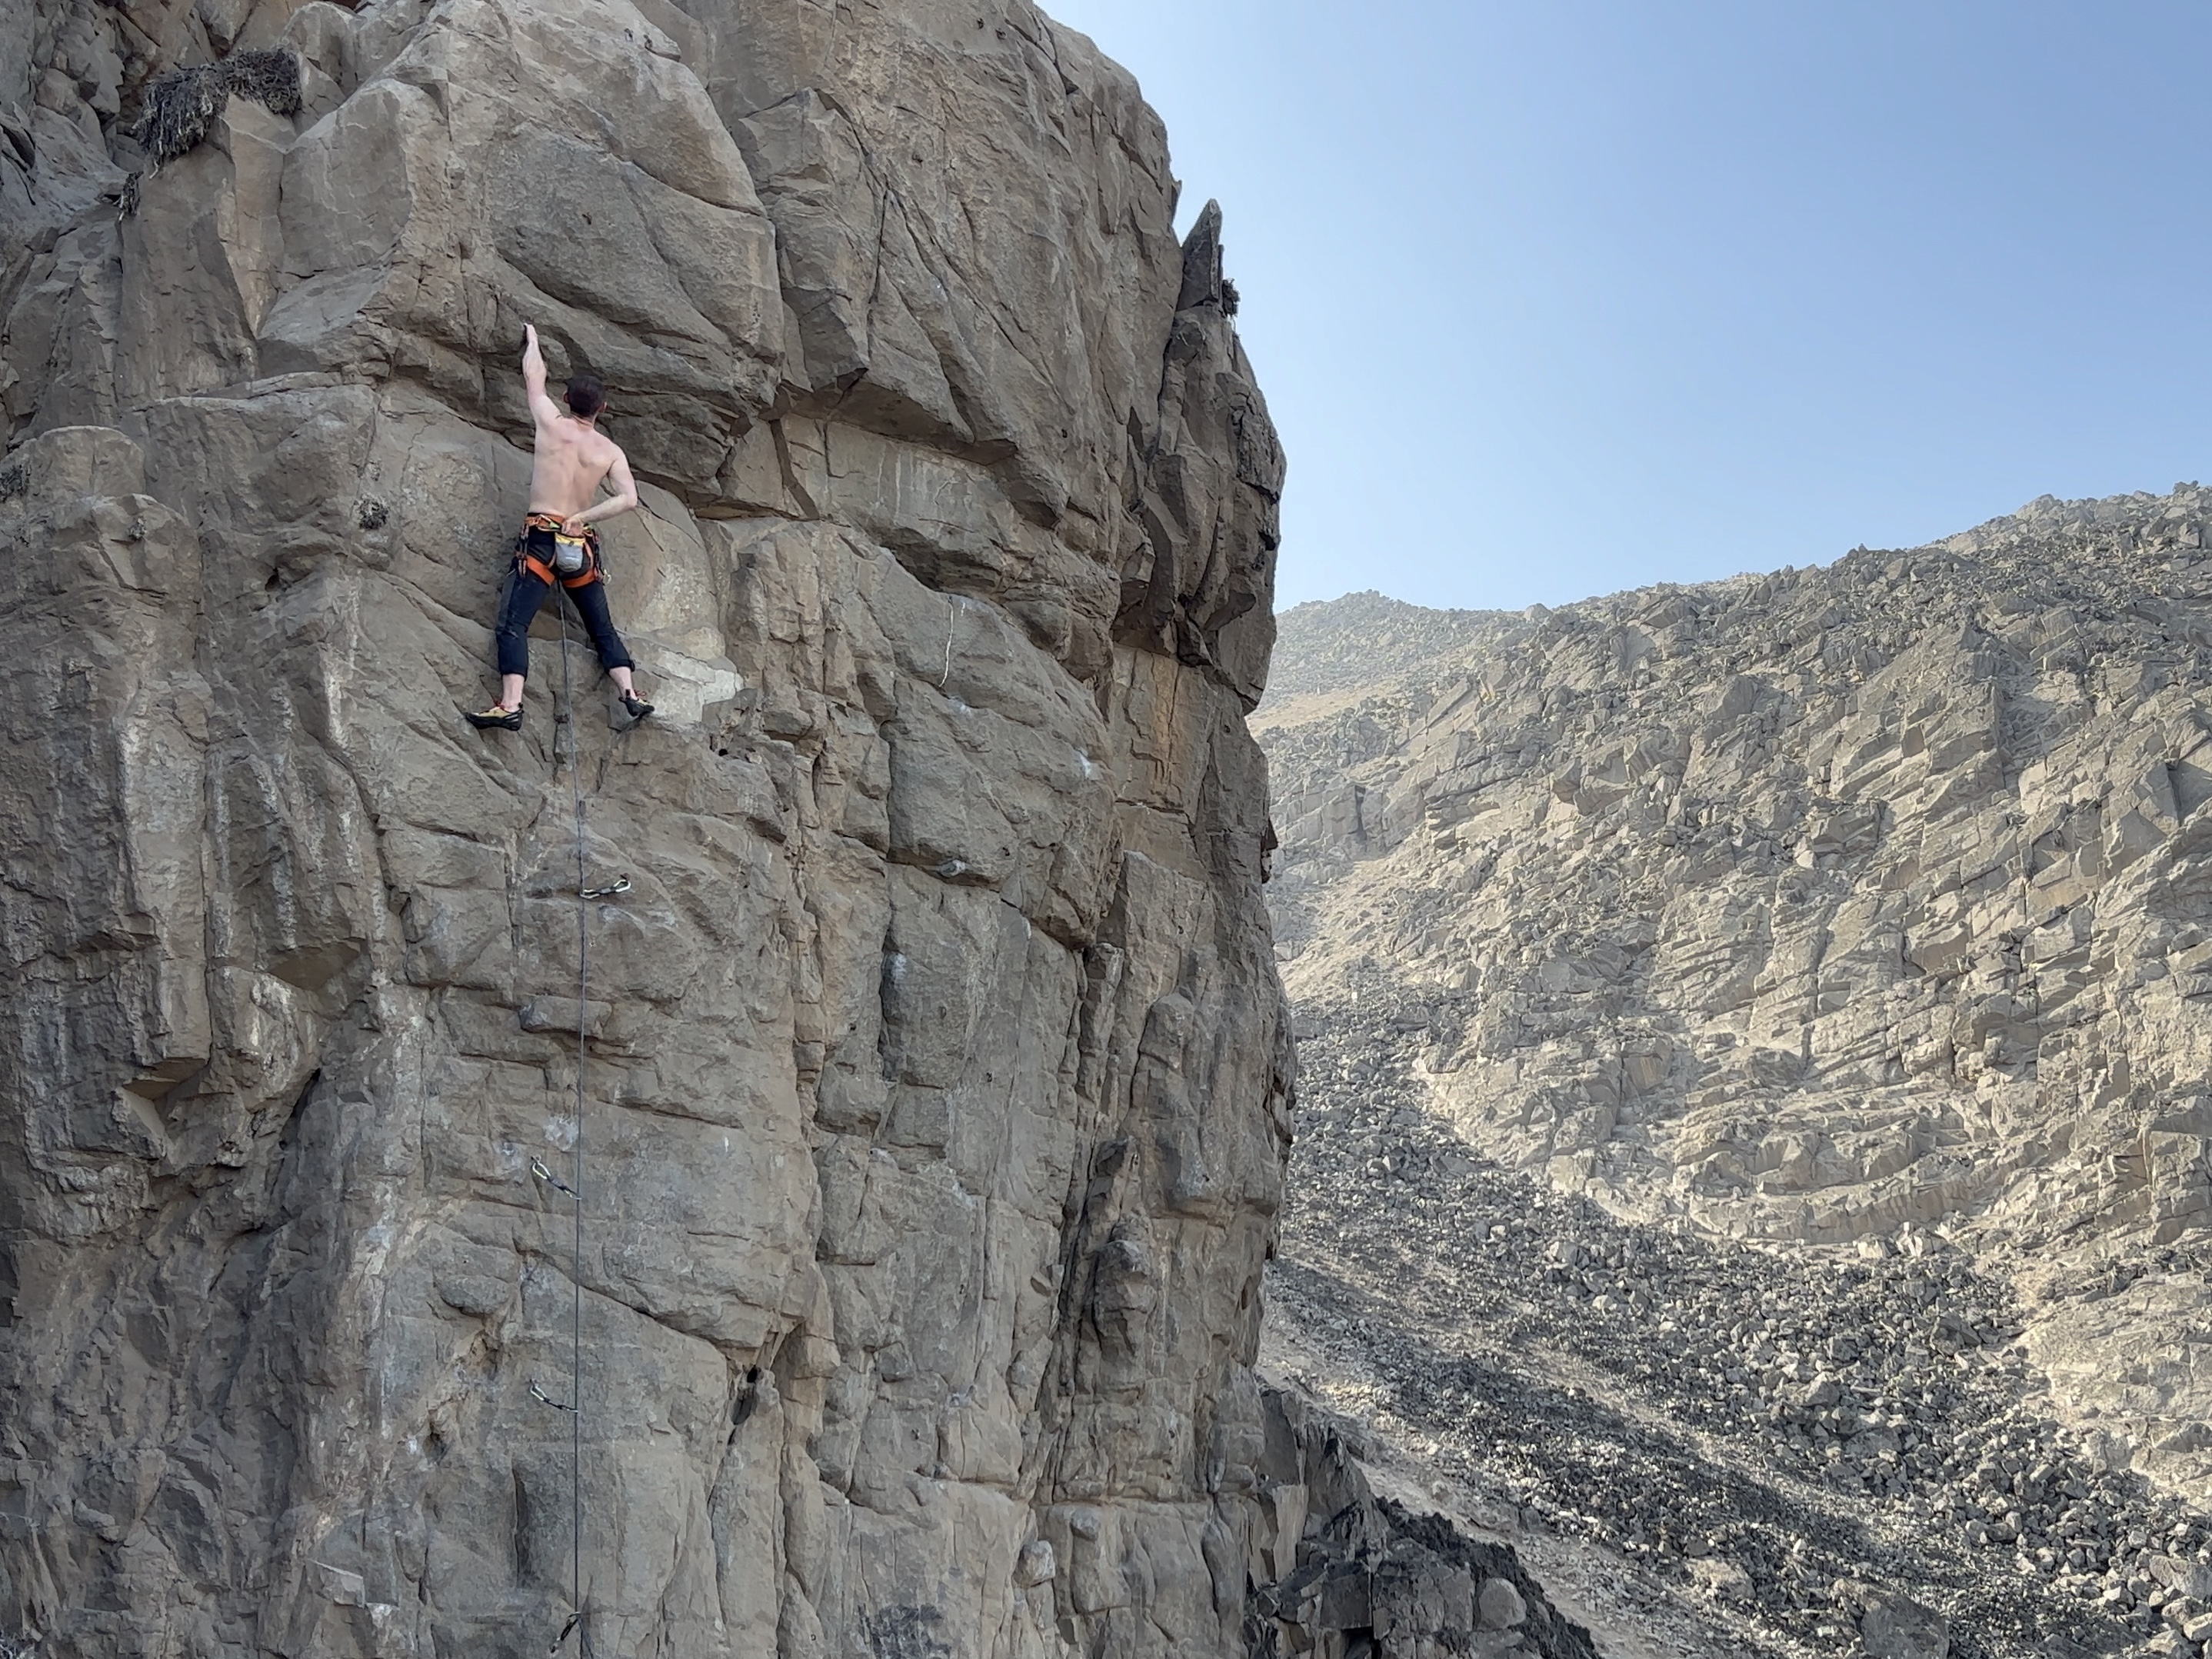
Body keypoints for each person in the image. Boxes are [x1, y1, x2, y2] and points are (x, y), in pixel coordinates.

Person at [466, 325, 653, 731]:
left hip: (539, 541)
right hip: (578, 545)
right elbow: (629, 499)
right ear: (602, 409)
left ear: (566, 400)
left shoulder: (550, 422)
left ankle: (511, 704)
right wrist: (584, 517)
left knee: (513, 624)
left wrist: (532, 341)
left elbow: (535, 378)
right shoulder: (609, 451)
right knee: (600, 627)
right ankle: (630, 693)